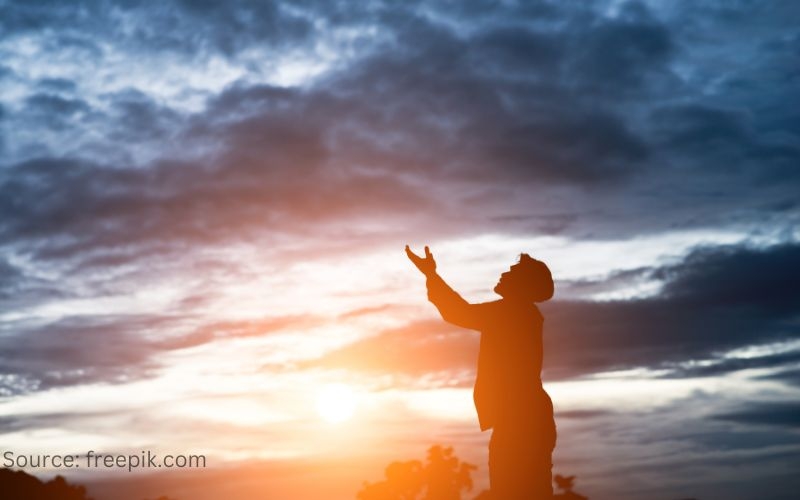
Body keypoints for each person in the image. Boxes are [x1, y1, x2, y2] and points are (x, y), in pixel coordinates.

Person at [406, 245, 556, 499]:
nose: (504, 274)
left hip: (520, 419)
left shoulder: (512, 312)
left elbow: (458, 312)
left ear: (523, 285)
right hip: (524, 416)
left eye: (512, 272)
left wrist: (431, 274)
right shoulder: (521, 313)